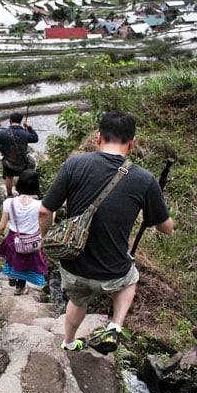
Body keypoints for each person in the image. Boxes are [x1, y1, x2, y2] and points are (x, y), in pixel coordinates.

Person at [38, 111, 174, 353]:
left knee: (77, 301)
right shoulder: (144, 179)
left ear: (99, 137)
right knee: (130, 279)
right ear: (132, 143)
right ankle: (114, 326)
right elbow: (166, 228)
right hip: (112, 273)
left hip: (73, 265)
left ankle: (69, 342)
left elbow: (45, 211)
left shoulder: (74, 164)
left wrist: (43, 241)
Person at [0, 169, 48, 295]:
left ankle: (12, 276)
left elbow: (2, 226)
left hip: (13, 238)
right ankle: (19, 287)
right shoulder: (40, 205)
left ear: (19, 184)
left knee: (13, 257)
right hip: (32, 240)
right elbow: (48, 219)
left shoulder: (9, 203)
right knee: (25, 263)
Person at [0, 112, 39, 198]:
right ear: (21, 121)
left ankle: (9, 195)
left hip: (8, 161)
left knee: (9, 176)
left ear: (10, 121)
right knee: (26, 173)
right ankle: (23, 192)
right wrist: (28, 127)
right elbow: (35, 138)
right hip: (22, 161)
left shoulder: (4, 132)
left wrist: (3, 150)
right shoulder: (25, 133)